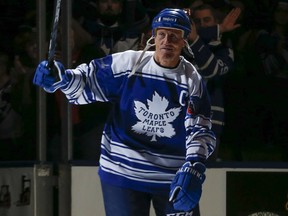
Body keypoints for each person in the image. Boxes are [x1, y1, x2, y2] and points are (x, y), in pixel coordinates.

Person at [33, 8, 216, 216]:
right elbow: (87, 81)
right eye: (162, 34)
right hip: (122, 174)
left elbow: (200, 131)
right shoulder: (128, 64)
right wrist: (62, 79)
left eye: (175, 36)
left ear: (184, 42)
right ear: (153, 37)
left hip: (171, 177)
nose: (167, 41)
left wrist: (194, 164)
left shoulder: (192, 80)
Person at [183, 4, 241, 161]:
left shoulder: (224, 50)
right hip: (179, 121)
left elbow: (212, 71)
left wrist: (197, 37)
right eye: (197, 21)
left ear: (215, 21)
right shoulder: (184, 49)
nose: (202, 25)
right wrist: (218, 29)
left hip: (209, 123)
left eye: (207, 20)